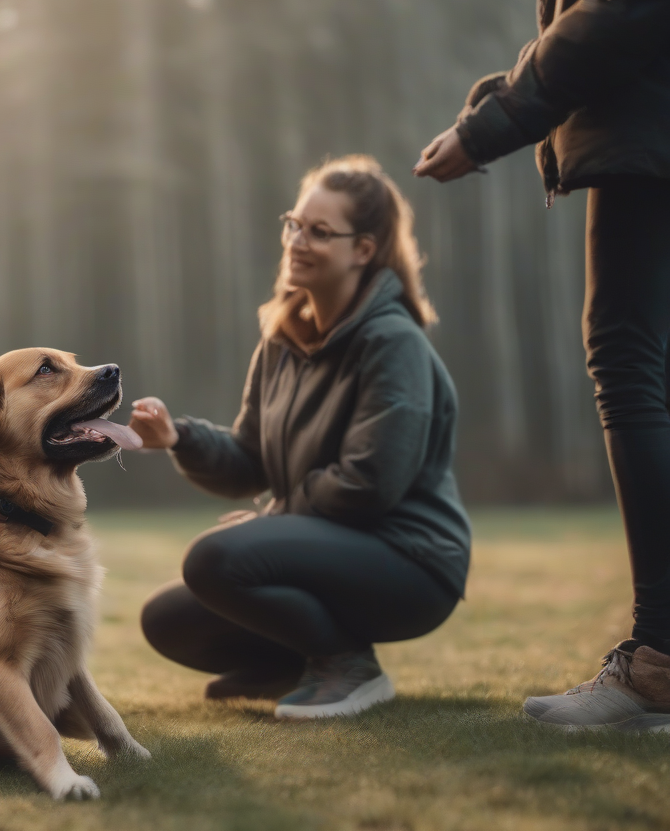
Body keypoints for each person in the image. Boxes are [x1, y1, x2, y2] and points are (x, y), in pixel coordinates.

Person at [414, 0, 670, 731]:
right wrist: (507, 95)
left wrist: (498, 123)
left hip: (654, 142)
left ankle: (661, 664)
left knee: (629, 365)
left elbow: (631, 4)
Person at [130, 155, 471, 720]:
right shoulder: (282, 340)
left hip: (412, 560)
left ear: (363, 249)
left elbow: (371, 484)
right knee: (167, 619)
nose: (298, 241)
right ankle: (295, 665)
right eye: (295, 224)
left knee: (215, 560)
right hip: (330, 544)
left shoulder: (393, 343)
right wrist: (177, 437)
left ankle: (347, 666)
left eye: (320, 232)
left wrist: (276, 518)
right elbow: (247, 463)